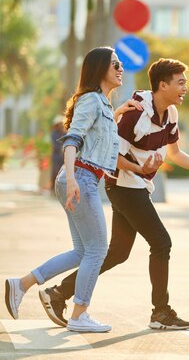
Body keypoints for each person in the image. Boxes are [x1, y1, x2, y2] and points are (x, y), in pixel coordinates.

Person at [38, 58, 189, 331]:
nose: (185, 88)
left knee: (117, 253)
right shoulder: (136, 114)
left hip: (137, 187)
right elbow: (111, 156)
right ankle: (160, 312)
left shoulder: (170, 113)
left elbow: (174, 153)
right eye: (181, 82)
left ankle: (58, 293)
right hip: (123, 187)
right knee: (161, 243)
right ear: (163, 85)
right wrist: (140, 168)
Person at [5, 46, 132, 332]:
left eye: (121, 64)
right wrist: (73, 178)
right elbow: (72, 139)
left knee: (82, 250)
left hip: (82, 177)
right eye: (115, 64)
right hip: (81, 178)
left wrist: (120, 111)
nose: (120, 69)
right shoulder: (90, 100)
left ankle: (21, 284)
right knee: (98, 249)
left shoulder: (102, 104)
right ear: (100, 69)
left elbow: (99, 133)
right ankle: (79, 315)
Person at [50, 115, 66, 189]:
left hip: (63, 156)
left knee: (62, 172)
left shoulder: (64, 133)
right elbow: (54, 143)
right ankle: (53, 187)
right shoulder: (54, 133)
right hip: (56, 155)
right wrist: (60, 148)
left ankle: (61, 187)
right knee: (55, 171)